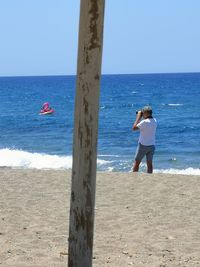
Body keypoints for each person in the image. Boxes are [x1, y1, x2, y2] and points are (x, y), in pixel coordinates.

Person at [132, 106, 157, 173]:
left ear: (146, 113)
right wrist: (141, 115)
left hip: (142, 145)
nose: (142, 114)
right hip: (152, 145)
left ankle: (134, 177)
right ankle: (149, 177)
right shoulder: (155, 120)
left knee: (137, 162)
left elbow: (134, 128)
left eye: (143, 113)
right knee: (149, 163)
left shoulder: (144, 122)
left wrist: (138, 117)